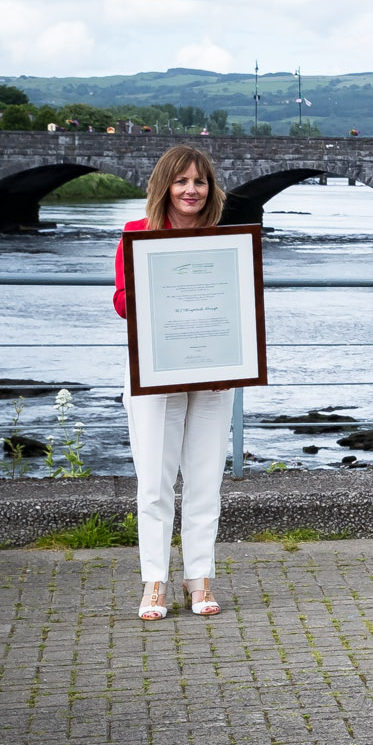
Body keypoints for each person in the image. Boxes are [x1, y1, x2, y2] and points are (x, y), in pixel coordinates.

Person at [115, 145, 232, 621]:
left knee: (206, 481)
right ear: (164, 185)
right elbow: (123, 303)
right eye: (181, 181)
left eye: (199, 182)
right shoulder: (137, 235)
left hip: (213, 372)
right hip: (156, 370)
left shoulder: (225, 242)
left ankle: (198, 577)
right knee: (155, 484)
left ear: (210, 189)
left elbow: (236, 309)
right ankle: (155, 582)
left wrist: (233, 359)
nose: (190, 190)